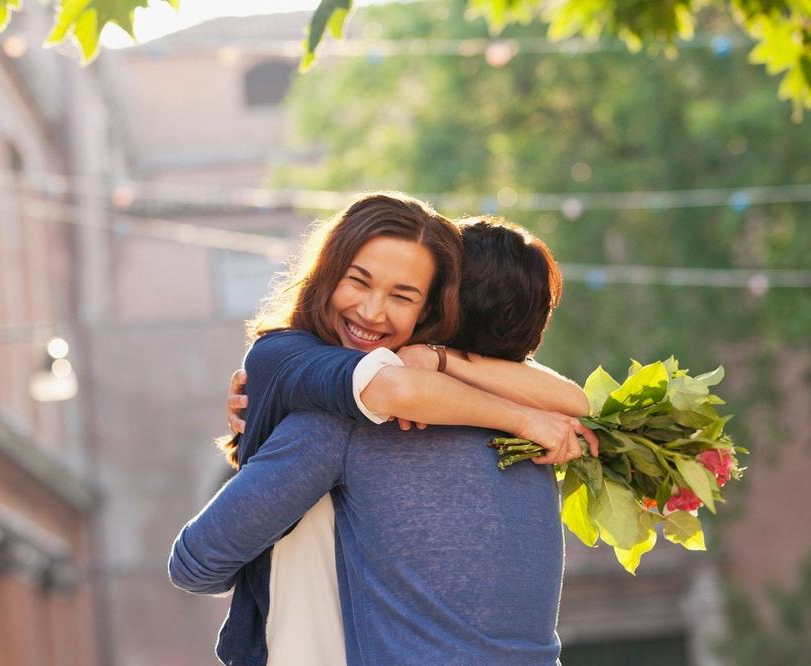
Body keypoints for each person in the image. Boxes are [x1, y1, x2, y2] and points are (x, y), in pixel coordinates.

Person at [171, 194, 595, 664]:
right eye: (360, 281)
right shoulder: (532, 423)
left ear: (434, 308)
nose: (373, 313)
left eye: (403, 294)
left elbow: (196, 562)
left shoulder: (343, 421)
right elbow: (577, 399)